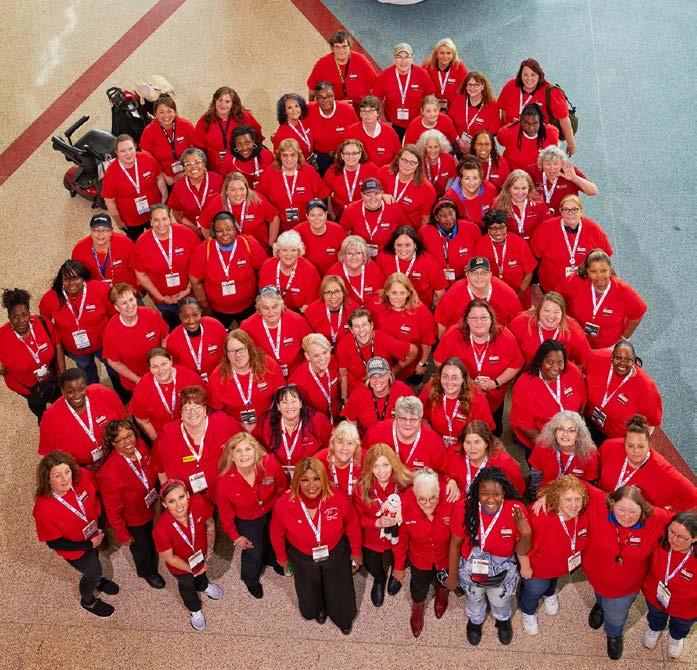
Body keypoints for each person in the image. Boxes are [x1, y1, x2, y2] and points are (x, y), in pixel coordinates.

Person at [569, 484, 670, 659]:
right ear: (612, 503)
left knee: (616, 617)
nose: (626, 516)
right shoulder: (599, 503)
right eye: (621, 509)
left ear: (643, 509)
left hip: (626, 586)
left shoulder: (657, 518)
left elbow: (683, 522)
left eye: (633, 512)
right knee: (600, 594)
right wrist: (547, 497)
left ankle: (614, 635)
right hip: (596, 575)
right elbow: (572, 483)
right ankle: (600, 605)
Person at [270, 457, 363, 634]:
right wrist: (281, 557)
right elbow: (276, 533)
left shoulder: (338, 497)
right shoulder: (284, 504)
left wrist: (356, 552)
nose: (311, 486)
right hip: (302, 556)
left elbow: (352, 524)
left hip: (335, 552)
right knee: (308, 587)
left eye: (316, 479)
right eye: (305, 480)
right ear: (297, 481)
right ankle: (317, 608)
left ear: (324, 479)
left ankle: (342, 617)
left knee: (339, 587)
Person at [446, 467, 531, 646]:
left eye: (497, 494)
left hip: (503, 569)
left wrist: (526, 534)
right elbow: (455, 544)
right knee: (474, 597)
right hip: (472, 568)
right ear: (477, 492)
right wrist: (452, 576)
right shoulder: (463, 508)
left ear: (504, 492)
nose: (491, 500)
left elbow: (522, 550)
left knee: (501, 599)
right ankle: (475, 620)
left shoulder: (516, 509)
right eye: (484, 493)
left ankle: (502, 619)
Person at [33, 451, 117, 618]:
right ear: (47, 479)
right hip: (76, 550)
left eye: (67, 472)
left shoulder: (83, 477)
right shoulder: (43, 508)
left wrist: (100, 528)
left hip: (94, 535)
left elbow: (97, 498)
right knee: (93, 572)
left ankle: (98, 582)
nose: (65, 479)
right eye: (57, 475)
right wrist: (88, 544)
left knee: (96, 559)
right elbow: (53, 542)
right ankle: (88, 600)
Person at [434, 298, 523, 434]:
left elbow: (516, 364)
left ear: (491, 319)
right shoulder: (454, 333)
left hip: (494, 395)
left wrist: (495, 383)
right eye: (474, 317)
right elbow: (438, 360)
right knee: (463, 429)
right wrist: (463, 382)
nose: (479, 322)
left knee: (493, 430)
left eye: (483, 317)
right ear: (467, 320)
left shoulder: (504, 336)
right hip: (461, 394)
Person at [215, 432, 287, 598]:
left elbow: (282, 488)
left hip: (272, 510)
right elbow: (225, 516)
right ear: (232, 456)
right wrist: (236, 537)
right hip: (248, 519)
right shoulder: (224, 482)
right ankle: (250, 579)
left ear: (256, 451)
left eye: (248, 449)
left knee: (273, 540)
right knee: (254, 551)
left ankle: (272, 560)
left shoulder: (270, 463)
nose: (244, 454)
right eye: (238, 451)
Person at [96, 418, 165, 589]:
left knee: (154, 534)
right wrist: (122, 534)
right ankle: (147, 571)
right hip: (135, 518)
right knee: (143, 547)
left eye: (129, 435)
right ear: (113, 443)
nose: (128, 442)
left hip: (152, 503)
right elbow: (112, 510)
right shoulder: (109, 473)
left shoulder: (140, 445)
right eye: (121, 439)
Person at [517, 475, 590, 635]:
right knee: (535, 590)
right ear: (557, 499)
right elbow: (521, 540)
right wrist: (525, 565)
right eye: (568, 499)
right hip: (538, 569)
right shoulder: (540, 516)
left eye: (577, 499)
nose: (574, 505)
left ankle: (549, 593)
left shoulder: (584, 514)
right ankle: (528, 611)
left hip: (560, 566)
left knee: (552, 582)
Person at [393, 469, 456, 637]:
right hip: (419, 558)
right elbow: (401, 539)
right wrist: (399, 566)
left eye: (433, 498)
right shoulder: (405, 503)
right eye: (421, 499)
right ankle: (418, 606)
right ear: (415, 494)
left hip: (445, 557)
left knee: (443, 580)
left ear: (439, 493)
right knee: (418, 586)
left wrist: (451, 480)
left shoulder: (450, 499)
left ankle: (442, 593)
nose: (428, 504)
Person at [153, 478, 223, 631]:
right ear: (164, 504)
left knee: (202, 574)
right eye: (172, 501)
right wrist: (192, 570)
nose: (179, 505)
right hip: (180, 566)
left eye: (181, 497)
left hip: (200, 555)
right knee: (187, 585)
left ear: (188, 495)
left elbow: (210, 524)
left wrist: (209, 552)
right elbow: (169, 558)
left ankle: (204, 586)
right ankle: (194, 609)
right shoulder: (161, 529)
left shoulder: (199, 503)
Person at [152, 385, 241, 500]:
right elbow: (160, 469)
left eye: (197, 407)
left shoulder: (223, 423)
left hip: (225, 492)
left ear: (205, 410)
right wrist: (170, 497)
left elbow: (245, 447)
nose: (192, 412)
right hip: (189, 500)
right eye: (187, 409)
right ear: (181, 414)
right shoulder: (167, 434)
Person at [38, 259, 115, 386]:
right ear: (61, 281)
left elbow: (114, 315)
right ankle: (95, 393)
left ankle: (122, 395)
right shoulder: (50, 299)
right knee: (87, 373)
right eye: (67, 279)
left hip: (103, 343)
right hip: (76, 348)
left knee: (113, 369)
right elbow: (45, 324)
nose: (71, 283)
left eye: (75, 278)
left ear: (83, 278)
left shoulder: (101, 289)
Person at [354, 443, 413, 606]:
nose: (381, 471)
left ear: (393, 463)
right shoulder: (361, 489)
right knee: (371, 564)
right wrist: (376, 522)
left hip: (399, 536)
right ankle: (380, 579)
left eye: (386, 465)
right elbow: (357, 520)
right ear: (369, 467)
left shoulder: (405, 484)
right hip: (372, 539)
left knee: (401, 559)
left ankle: (395, 574)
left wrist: (450, 481)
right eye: (375, 466)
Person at [597, 415, 697, 511]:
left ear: (649, 445)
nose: (635, 451)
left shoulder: (663, 470)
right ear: (624, 442)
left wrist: (663, 514)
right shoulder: (610, 446)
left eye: (641, 446)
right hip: (601, 505)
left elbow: (693, 496)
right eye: (630, 445)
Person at [188, 211, 268, 330]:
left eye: (229, 229)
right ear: (214, 232)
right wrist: (204, 305)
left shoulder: (248, 243)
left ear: (235, 229)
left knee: (250, 335)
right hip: (217, 310)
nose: (225, 233)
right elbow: (195, 281)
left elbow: (265, 269)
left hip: (249, 307)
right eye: (220, 230)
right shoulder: (204, 250)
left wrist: (261, 295)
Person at [558, 249, 646, 350]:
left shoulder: (623, 291)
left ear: (610, 270)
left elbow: (638, 314)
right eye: (594, 271)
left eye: (604, 271)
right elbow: (557, 297)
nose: (599, 276)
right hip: (578, 340)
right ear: (588, 271)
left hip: (608, 346)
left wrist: (625, 338)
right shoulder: (575, 282)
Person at [509, 340, 586, 455]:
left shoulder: (572, 371)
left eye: (560, 362)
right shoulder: (524, 384)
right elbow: (526, 426)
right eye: (550, 362)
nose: (556, 367)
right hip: (540, 439)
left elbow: (582, 403)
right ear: (540, 361)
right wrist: (551, 449)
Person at [38, 368, 126, 466]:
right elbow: (45, 454)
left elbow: (124, 422)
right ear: (62, 391)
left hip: (116, 454)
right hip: (81, 468)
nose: (77, 395)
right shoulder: (49, 417)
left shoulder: (104, 393)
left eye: (81, 389)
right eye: (71, 392)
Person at [131, 204, 198, 329]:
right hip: (163, 300)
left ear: (170, 218)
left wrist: (188, 289)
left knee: (193, 322)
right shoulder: (142, 242)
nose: (161, 224)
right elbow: (141, 274)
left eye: (164, 219)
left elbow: (197, 264)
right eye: (156, 220)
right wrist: (161, 298)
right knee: (172, 323)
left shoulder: (186, 233)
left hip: (189, 294)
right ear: (150, 222)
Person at [364, 397, 456, 488]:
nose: (408, 423)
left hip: (417, 491)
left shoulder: (434, 441)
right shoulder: (375, 433)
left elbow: (443, 474)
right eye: (403, 418)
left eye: (413, 419)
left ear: (420, 418)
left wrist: (450, 480)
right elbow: (364, 464)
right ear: (396, 417)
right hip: (382, 489)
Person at [641, 512, 697, 659]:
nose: (674, 539)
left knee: (681, 625)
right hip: (656, 596)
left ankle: (676, 638)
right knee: (655, 615)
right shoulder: (660, 543)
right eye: (671, 531)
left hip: (686, 607)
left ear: (695, 538)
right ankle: (655, 628)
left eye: (682, 537)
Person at [1, 287, 63, 420]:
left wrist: (62, 373)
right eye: (15, 317)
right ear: (9, 318)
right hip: (27, 389)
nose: (21, 320)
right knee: (40, 411)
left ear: (29, 313)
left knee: (60, 404)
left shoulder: (42, 322)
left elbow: (57, 343)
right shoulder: (2, 337)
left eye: (24, 315)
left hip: (52, 378)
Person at [207, 329, 285, 435]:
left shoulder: (269, 365)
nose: (237, 355)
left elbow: (281, 397)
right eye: (232, 351)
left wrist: (266, 420)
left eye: (241, 349)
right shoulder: (217, 377)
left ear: (249, 348)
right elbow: (217, 413)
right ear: (226, 353)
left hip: (270, 423)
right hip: (234, 429)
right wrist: (238, 425)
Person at [102, 283, 169, 402]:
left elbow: (165, 338)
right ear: (116, 307)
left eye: (131, 300)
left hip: (161, 374)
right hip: (135, 382)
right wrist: (138, 380)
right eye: (124, 303)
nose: (130, 306)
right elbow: (114, 362)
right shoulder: (111, 330)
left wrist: (163, 365)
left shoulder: (151, 314)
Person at [530, 196, 613, 292]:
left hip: (584, 288)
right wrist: (535, 284)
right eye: (566, 209)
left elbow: (605, 257)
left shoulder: (594, 229)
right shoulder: (546, 228)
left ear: (581, 211)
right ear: (560, 211)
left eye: (575, 209)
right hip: (552, 289)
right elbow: (535, 255)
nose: (570, 213)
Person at [584, 340, 662, 443]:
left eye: (628, 360)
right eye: (618, 358)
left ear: (634, 361)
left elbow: (651, 422)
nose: (622, 363)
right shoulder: (598, 358)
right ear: (612, 357)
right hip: (586, 421)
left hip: (614, 439)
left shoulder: (647, 388)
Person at [497, 58, 576, 154]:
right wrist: (505, 133)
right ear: (520, 75)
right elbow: (504, 110)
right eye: (525, 75)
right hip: (517, 139)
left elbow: (564, 120)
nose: (529, 79)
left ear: (539, 75)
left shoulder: (552, 92)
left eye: (533, 75)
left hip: (542, 140)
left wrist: (571, 143)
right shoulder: (511, 86)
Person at [336, 308, 415, 399]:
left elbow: (413, 351)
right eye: (356, 326)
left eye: (364, 325)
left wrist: (394, 371)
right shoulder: (344, 345)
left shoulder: (383, 339)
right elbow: (343, 374)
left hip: (382, 390)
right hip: (357, 393)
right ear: (351, 330)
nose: (361, 330)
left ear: (371, 325)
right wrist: (344, 398)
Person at [434, 255, 523, 336]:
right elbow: (441, 323)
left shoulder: (506, 292)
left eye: (484, 273)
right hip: (462, 338)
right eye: (474, 273)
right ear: (467, 275)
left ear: (490, 275)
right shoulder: (454, 293)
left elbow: (519, 323)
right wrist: (445, 346)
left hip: (495, 338)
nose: (479, 276)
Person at [371, 272, 437, 380]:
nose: (398, 297)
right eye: (394, 293)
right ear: (387, 292)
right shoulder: (376, 305)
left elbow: (427, 343)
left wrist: (422, 363)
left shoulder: (421, 312)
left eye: (402, 293)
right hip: (382, 366)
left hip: (410, 367)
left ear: (408, 292)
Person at [102, 134, 167, 240]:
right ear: (117, 152)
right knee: (136, 241)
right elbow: (109, 201)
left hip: (154, 212)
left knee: (159, 236)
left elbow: (159, 177)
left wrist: (164, 199)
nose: (128, 153)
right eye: (123, 151)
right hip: (131, 220)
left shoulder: (147, 158)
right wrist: (118, 221)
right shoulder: (111, 173)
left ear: (135, 147)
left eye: (130, 149)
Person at [256, 138, 329, 233]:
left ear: (298, 155)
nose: (289, 159)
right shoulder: (269, 172)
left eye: (293, 155)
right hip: (279, 228)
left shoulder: (309, 171)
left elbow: (323, 196)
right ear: (279, 156)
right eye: (285, 155)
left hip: (308, 226)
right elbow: (260, 200)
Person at [129, 347, 202, 440]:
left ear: (171, 361)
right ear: (149, 368)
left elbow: (202, 406)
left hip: (193, 429)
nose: (160, 370)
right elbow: (143, 421)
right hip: (163, 435)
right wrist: (158, 440)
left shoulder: (189, 377)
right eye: (155, 367)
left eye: (164, 364)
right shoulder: (142, 389)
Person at [419, 358, 495, 447]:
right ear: (440, 377)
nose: (449, 382)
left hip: (466, 446)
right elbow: (422, 418)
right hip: (436, 443)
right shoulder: (430, 390)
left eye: (455, 378)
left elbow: (484, 433)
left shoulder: (477, 399)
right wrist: (431, 439)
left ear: (463, 379)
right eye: (445, 376)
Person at [260, 385, 332, 477]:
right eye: (284, 402)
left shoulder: (317, 420)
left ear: (301, 403)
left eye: (294, 401)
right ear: (278, 406)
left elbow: (330, 448)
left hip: (310, 477)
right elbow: (256, 447)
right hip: (278, 478)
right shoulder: (266, 422)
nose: (290, 406)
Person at [508, 291, 592, 368]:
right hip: (527, 373)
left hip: (559, 375)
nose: (551, 316)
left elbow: (587, 360)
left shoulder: (573, 329)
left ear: (562, 313)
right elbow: (506, 349)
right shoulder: (521, 323)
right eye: (547, 310)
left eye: (556, 312)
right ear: (539, 310)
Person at [240, 286, 311, 378]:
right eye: (265, 308)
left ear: (281, 306)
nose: (271, 312)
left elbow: (311, 346)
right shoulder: (246, 327)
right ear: (259, 308)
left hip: (297, 373)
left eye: (275, 307)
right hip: (265, 375)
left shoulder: (297, 320)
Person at [371, 42, 434, 141]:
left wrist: (424, 118)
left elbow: (430, 97)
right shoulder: (385, 75)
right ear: (394, 59)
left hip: (417, 123)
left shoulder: (422, 74)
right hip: (393, 124)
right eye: (399, 57)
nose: (403, 61)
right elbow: (377, 98)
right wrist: (383, 121)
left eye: (407, 57)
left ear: (412, 58)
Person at [198, 171, 279, 248]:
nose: (238, 193)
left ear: (247, 188)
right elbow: (204, 226)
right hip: (231, 252)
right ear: (226, 191)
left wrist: (271, 244)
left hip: (259, 249)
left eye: (241, 188)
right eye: (232, 189)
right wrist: (216, 245)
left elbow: (274, 218)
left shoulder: (257, 199)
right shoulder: (217, 203)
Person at [193, 86, 263, 174]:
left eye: (227, 101)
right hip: (215, 170)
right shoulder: (205, 120)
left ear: (233, 104)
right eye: (220, 100)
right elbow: (198, 149)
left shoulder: (244, 117)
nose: (223, 104)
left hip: (242, 168)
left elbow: (257, 137)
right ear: (215, 101)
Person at [528, 411, 598, 497]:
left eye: (571, 431)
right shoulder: (543, 445)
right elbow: (536, 473)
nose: (565, 434)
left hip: (572, 496)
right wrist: (535, 494)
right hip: (545, 492)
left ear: (578, 435)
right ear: (554, 432)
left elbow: (588, 484)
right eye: (561, 429)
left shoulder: (590, 454)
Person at [474, 208, 537, 305]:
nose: (499, 232)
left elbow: (529, 273)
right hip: (492, 295)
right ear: (488, 229)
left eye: (502, 227)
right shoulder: (481, 244)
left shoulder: (519, 242)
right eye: (494, 228)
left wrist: (519, 295)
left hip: (519, 293)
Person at [447, 420, 525, 495]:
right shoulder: (454, 455)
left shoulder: (504, 463)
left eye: (477, 442)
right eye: (468, 442)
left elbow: (517, 490)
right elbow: (443, 472)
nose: (472, 447)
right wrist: (450, 480)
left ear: (487, 443)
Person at [376, 226, 446, 309]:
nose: (403, 249)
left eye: (407, 245)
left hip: (419, 309)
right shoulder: (383, 258)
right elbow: (379, 289)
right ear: (393, 245)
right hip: (391, 307)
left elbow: (439, 292)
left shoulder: (429, 261)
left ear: (415, 245)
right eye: (399, 245)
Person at [342, 356, 414, 434]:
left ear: (388, 375)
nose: (377, 380)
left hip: (397, 438)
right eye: (373, 377)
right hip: (369, 439)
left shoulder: (403, 390)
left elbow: (416, 416)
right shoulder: (359, 393)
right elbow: (351, 420)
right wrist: (357, 439)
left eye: (381, 376)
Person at [417, 198, 481, 284]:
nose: (448, 218)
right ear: (436, 217)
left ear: (456, 213)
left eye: (451, 214)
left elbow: (481, 253)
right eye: (443, 215)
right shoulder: (424, 233)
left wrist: (474, 266)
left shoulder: (471, 228)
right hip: (437, 281)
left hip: (466, 279)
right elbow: (419, 257)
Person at [306, 30, 378, 105]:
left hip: (361, 107)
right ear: (332, 48)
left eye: (344, 46)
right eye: (337, 47)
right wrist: (311, 108)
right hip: (334, 107)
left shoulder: (361, 61)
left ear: (349, 47)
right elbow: (312, 91)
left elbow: (375, 88)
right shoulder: (322, 64)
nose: (340, 50)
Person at [339, 178, 407, 257]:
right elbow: (344, 232)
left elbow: (406, 230)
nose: (373, 198)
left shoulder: (394, 208)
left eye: (376, 194)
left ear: (382, 193)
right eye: (368, 195)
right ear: (362, 195)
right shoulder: (351, 210)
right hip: (360, 255)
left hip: (387, 254)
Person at [139, 94, 196, 185]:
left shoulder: (186, 125)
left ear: (175, 112)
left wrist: (188, 171)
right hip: (164, 179)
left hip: (189, 173)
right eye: (161, 112)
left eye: (169, 111)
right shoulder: (149, 131)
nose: (166, 116)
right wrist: (163, 177)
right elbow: (146, 160)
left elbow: (198, 152)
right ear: (155, 114)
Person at [258, 230, 321, 313]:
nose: (289, 254)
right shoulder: (267, 266)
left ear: (299, 252)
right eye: (284, 250)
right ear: (278, 252)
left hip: (299, 314)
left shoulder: (310, 271)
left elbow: (311, 305)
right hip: (272, 311)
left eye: (293, 250)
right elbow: (263, 296)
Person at [165, 297, 226, 382]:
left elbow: (227, 351)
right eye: (185, 317)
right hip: (191, 382)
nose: (191, 321)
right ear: (180, 317)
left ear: (201, 312)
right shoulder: (172, 339)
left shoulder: (215, 326)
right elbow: (175, 367)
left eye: (195, 315)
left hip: (220, 377)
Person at [376, 146, 437, 229]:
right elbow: (370, 197)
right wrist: (381, 195)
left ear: (418, 165)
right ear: (398, 159)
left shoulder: (427, 189)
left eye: (412, 162)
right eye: (404, 160)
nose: (407, 165)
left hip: (407, 230)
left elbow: (425, 220)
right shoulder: (383, 172)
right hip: (382, 225)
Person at [527, 145, 598, 216]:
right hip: (539, 217)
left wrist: (574, 178)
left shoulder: (570, 171)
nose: (552, 168)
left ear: (562, 163)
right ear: (541, 164)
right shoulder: (533, 171)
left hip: (566, 218)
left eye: (555, 164)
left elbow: (593, 191)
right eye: (547, 164)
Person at [306, 82, 359, 175]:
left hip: (345, 157)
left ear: (334, 96)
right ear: (316, 98)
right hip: (320, 158)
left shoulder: (347, 109)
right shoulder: (309, 110)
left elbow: (357, 133)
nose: (325, 100)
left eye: (329, 96)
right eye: (321, 97)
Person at [167, 147, 223, 236]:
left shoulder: (218, 180)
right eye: (188, 164)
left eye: (197, 162)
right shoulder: (178, 187)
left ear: (204, 164)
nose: (193, 166)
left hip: (221, 230)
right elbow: (178, 215)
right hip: (194, 232)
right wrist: (196, 230)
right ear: (184, 168)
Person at [71, 213, 137, 286]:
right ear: (91, 231)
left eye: (105, 230)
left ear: (111, 232)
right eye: (96, 230)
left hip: (124, 289)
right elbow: (76, 275)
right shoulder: (79, 249)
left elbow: (138, 268)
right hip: (96, 290)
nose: (100, 233)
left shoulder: (126, 243)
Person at [323, 139, 379, 220]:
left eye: (354, 153)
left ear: (360, 154)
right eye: (347, 153)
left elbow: (380, 190)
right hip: (340, 214)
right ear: (342, 156)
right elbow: (327, 192)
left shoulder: (371, 169)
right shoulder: (333, 171)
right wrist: (330, 211)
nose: (350, 157)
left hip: (364, 213)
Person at [289, 333, 341, 419]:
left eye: (325, 352)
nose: (322, 358)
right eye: (316, 355)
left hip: (337, 417)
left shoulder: (333, 361)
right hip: (315, 423)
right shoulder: (297, 381)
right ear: (307, 356)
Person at [496, 103, 559, 172]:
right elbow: (500, 139)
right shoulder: (507, 132)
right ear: (521, 121)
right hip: (513, 174)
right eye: (527, 124)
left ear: (540, 122)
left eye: (535, 123)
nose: (531, 128)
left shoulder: (551, 133)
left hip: (539, 175)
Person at [326, 236, 386, 307]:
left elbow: (381, 295)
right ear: (343, 255)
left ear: (364, 255)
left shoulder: (374, 268)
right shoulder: (333, 273)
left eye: (358, 253)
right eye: (349, 253)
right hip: (346, 312)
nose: (354, 257)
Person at [448, 71, 501, 152]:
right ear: (466, 86)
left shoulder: (492, 105)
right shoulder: (459, 100)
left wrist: (473, 145)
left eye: (476, 85)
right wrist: (459, 141)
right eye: (469, 84)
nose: (472, 88)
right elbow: (449, 122)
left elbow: (492, 132)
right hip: (458, 145)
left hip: (480, 149)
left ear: (482, 86)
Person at [344, 96, 402, 167]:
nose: (367, 114)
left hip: (384, 172)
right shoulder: (350, 132)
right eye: (363, 111)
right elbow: (345, 158)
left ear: (378, 113)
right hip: (361, 172)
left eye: (371, 111)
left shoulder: (390, 132)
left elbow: (398, 157)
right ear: (360, 114)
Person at [493, 169, 550, 242]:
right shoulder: (499, 205)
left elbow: (547, 227)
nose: (520, 193)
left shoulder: (538, 203)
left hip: (535, 244)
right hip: (510, 245)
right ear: (508, 188)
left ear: (529, 188)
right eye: (516, 188)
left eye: (524, 188)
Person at [303, 275, 360, 349]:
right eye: (328, 292)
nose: (333, 296)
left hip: (348, 349)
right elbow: (308, 341)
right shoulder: (312, 311)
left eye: (337, 291)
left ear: (343, 292)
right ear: (323, 294)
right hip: (321, 352)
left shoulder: (354, 309)